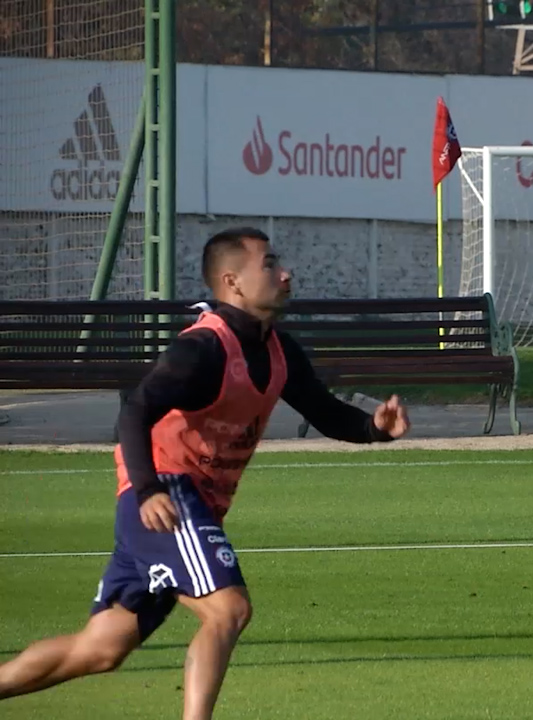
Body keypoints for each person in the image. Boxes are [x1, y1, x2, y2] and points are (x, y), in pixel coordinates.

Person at [0, 228, 411, 720]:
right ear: (232, 281)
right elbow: (135, 411)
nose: (285, 274)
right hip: (167, 495)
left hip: (180, 503)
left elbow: (325, 413)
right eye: (270, 264)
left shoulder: (279, 350)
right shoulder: (205, 348)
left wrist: (375, 428)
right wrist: (148, 489)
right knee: (229, 609)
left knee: (101, 648)